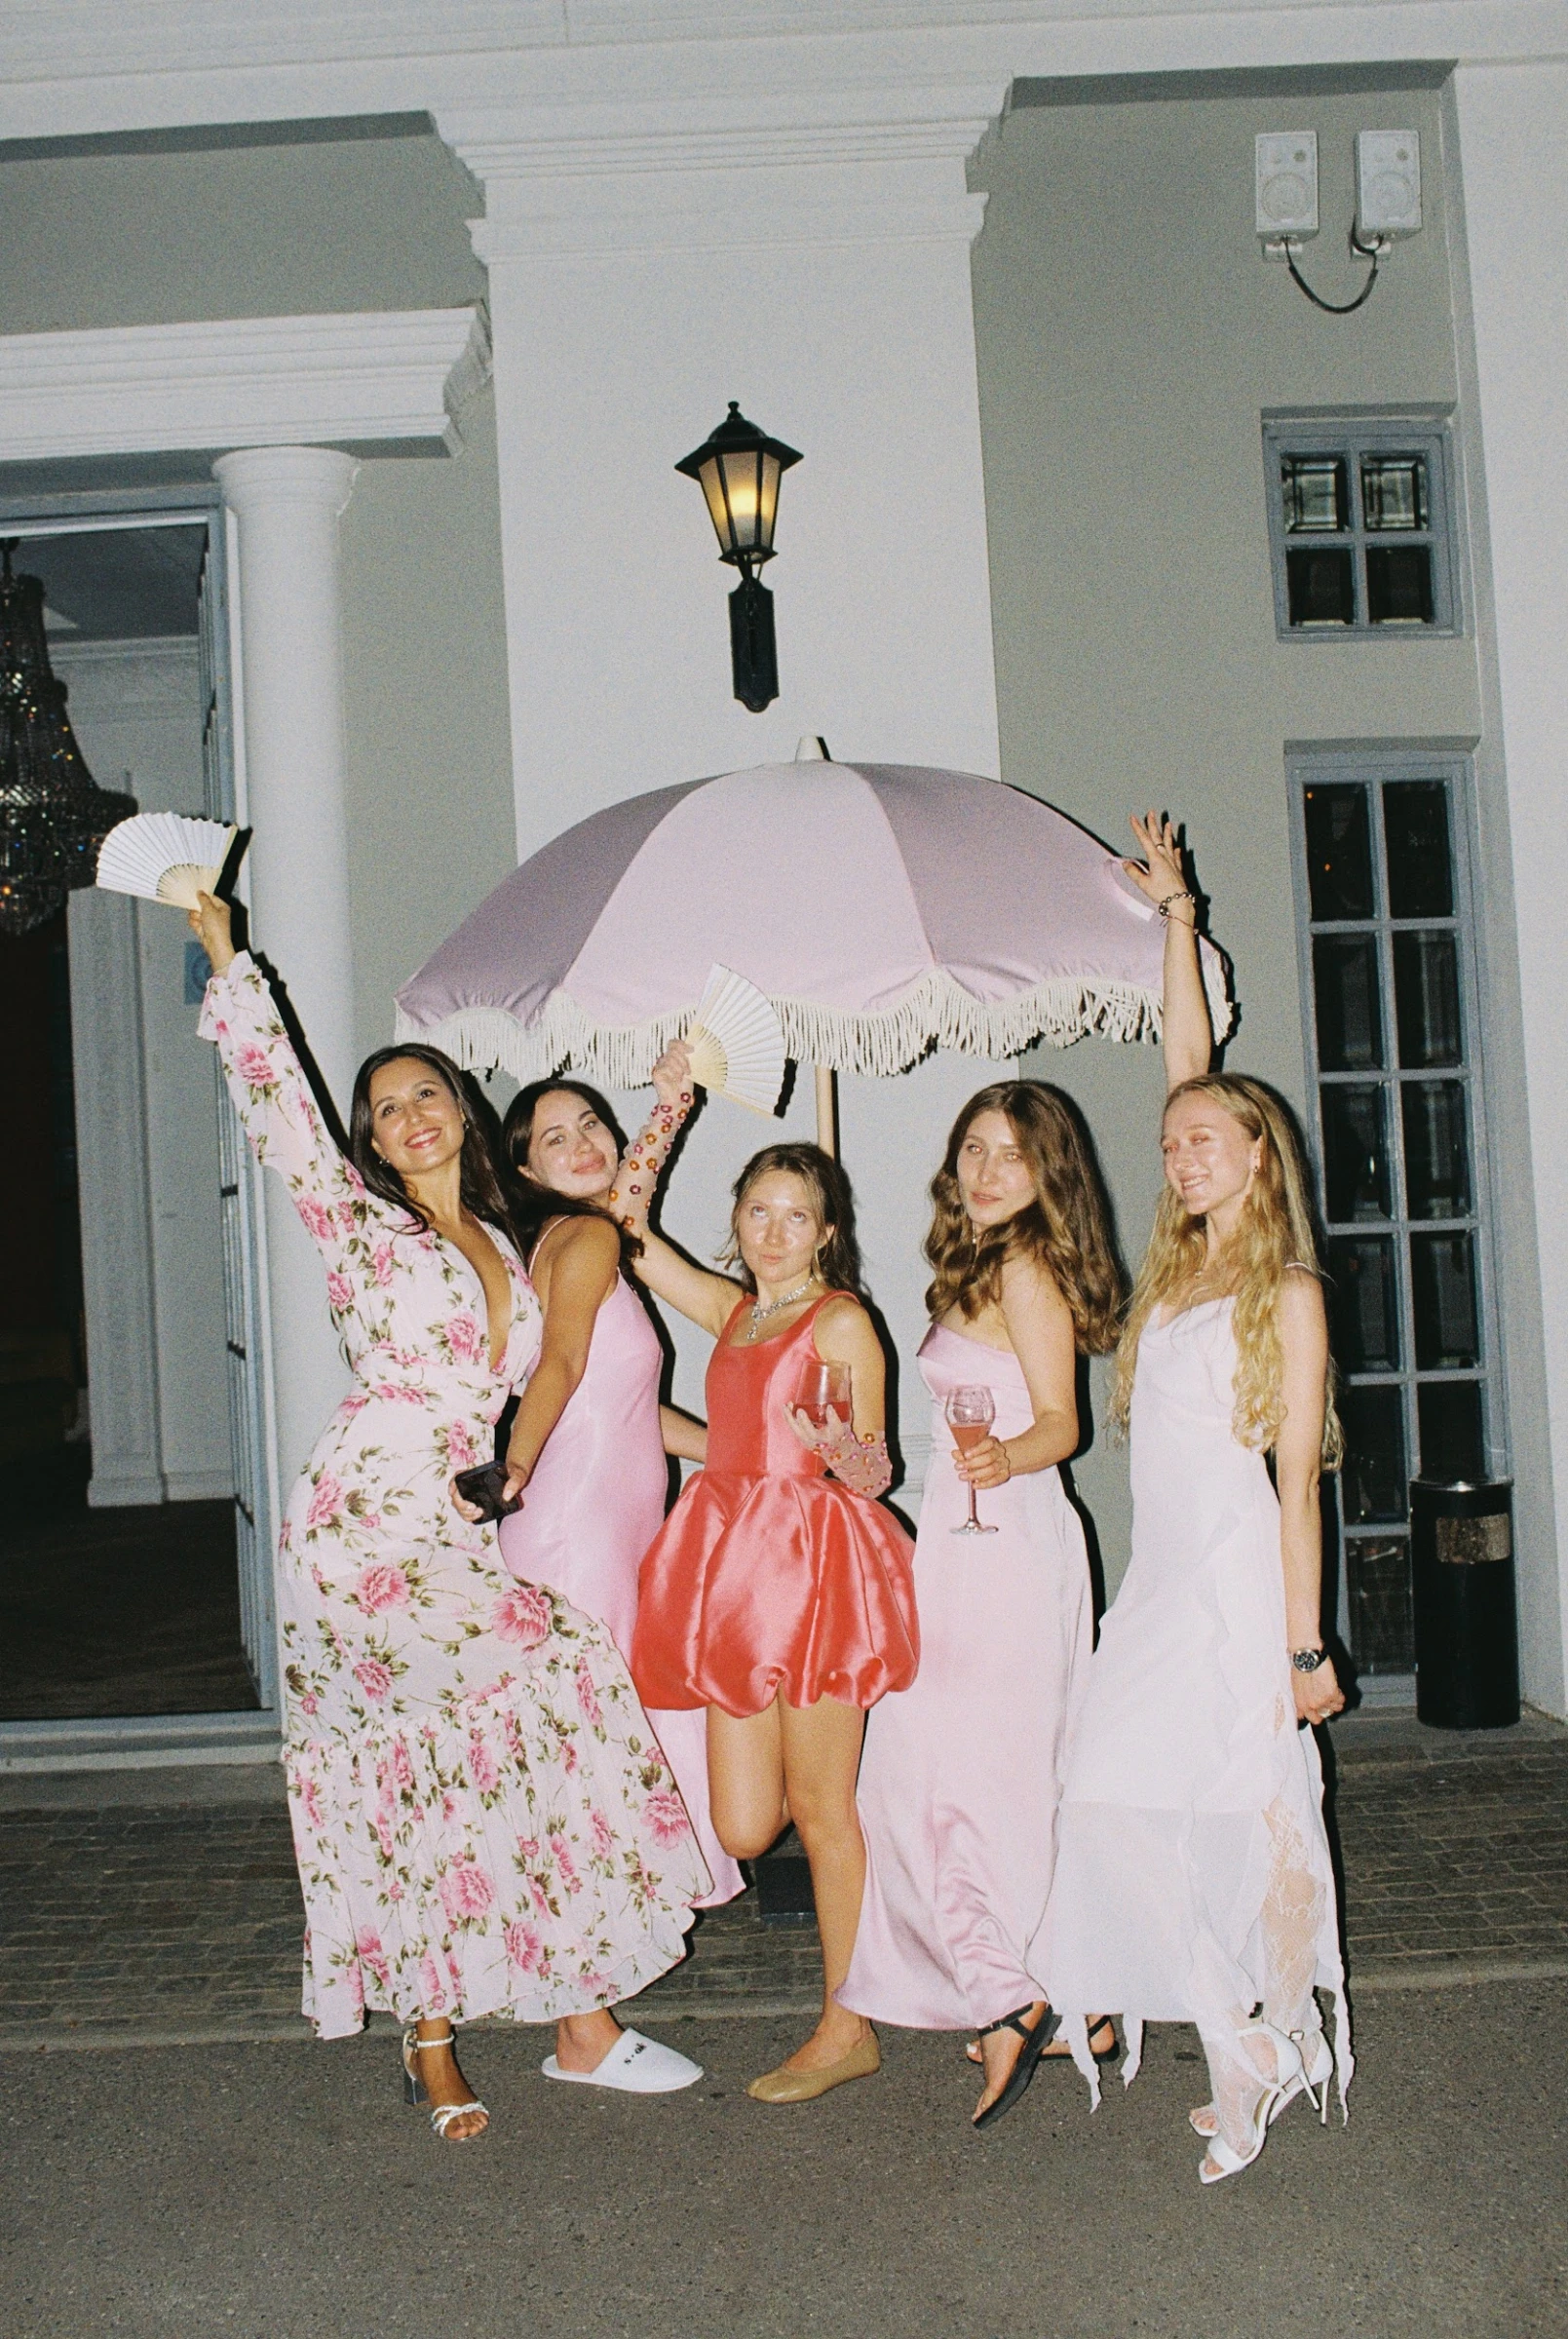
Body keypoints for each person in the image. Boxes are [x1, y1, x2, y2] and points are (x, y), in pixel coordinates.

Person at [189, 895, 710, 2141]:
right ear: (370, 1140)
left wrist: (668, 1106)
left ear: (464, 1112)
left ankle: (480, 2026)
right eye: (386, 1108)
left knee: (462, 1746)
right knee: (516, 1699)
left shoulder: (507, 1234)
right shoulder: (357, 1221)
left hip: (454, 1518)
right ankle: (479, 2033)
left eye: (427, 1093)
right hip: (365, 1521)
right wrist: (224, 954)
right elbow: (280, 1105)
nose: (410, 1114)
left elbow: (597, 1266)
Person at [1037, 814, 1351, 2184]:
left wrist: (1302, 1646)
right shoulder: (1179, 1274)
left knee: (1214, 1816)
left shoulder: (1287, 1290)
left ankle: (1243, 2056)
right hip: (1160, 1584)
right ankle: (1245, 2043)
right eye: (1172, 1142)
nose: (1181, 1151)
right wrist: (1174, 918)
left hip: (1232, 1590)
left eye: (1208, 1138)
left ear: (1259, 1154)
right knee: (1113, 1805)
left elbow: (1294, 1489)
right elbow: (1183, 1057)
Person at [839, 1081, 1122, 2127]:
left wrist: (1001, 1455)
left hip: (1008, 1544)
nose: (989, 1170)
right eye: (974, 1149)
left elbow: (1061, 1425)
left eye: (1011, 1154)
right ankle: (1069, 1994)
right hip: (957, 1542)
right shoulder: (973, 1262)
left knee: (966, 1775)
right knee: (949, 1769)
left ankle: (1012, 1995)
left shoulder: (1027, 1265)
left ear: (1047, 1172)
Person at [625, 1137, 919, 2103]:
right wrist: (669, 1105)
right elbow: (628, 1229)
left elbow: (873, 1474)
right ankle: (896, 1880)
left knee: (824, 1810)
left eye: (797, 1215)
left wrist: (837, 1445)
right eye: (759, 1210)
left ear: (827, 1232)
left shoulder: (842, 1321)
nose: (775, 1231)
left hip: (815, 1571)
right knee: (746, 1826)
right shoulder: (734, 1311)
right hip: (733, 1578)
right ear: (737, 1218)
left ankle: (847, 2024)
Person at [468, 1067, 742, 1906]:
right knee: (591, 1735)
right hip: (576, 1530)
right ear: (526, 1171)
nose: (583, 1143)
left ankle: (599, 1922)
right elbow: (560, 1365)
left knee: (600, 1733)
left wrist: (740, 1452)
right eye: (556, 1138)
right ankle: (590, 1930)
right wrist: (515, 1466)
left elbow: (625, 1409)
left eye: (591, 1123)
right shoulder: (584, 1240)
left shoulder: (569, 1242)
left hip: (603, 1526)